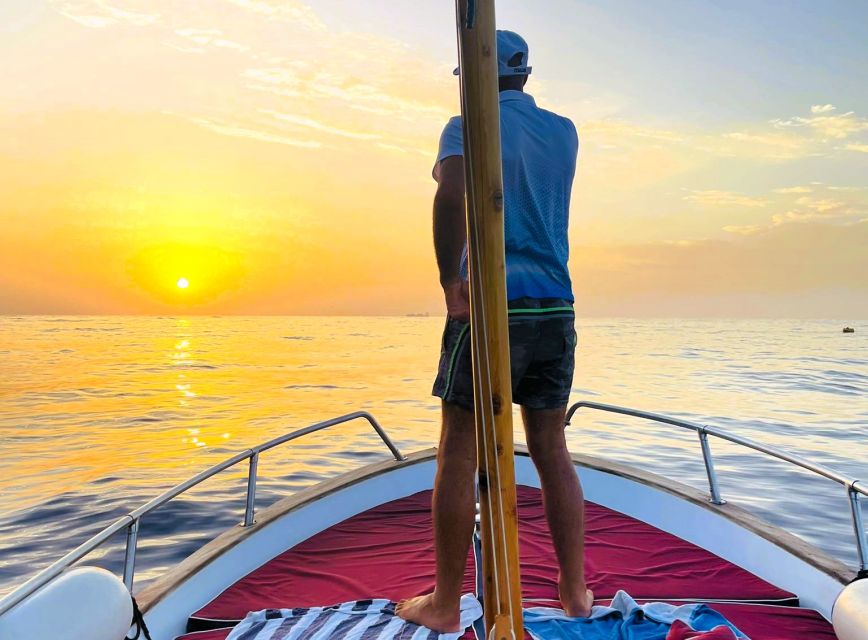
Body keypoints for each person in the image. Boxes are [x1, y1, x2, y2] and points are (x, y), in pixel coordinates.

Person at [396, 30, 591, 632]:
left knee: (457, 448)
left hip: (490, 306)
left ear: (470, 76)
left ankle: (447, 602)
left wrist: (447, 280)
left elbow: (451, 195)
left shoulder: (464, 126)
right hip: (554, 306)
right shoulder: (565, 131)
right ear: (525, 76)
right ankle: (575, 592)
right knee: (552, 446)